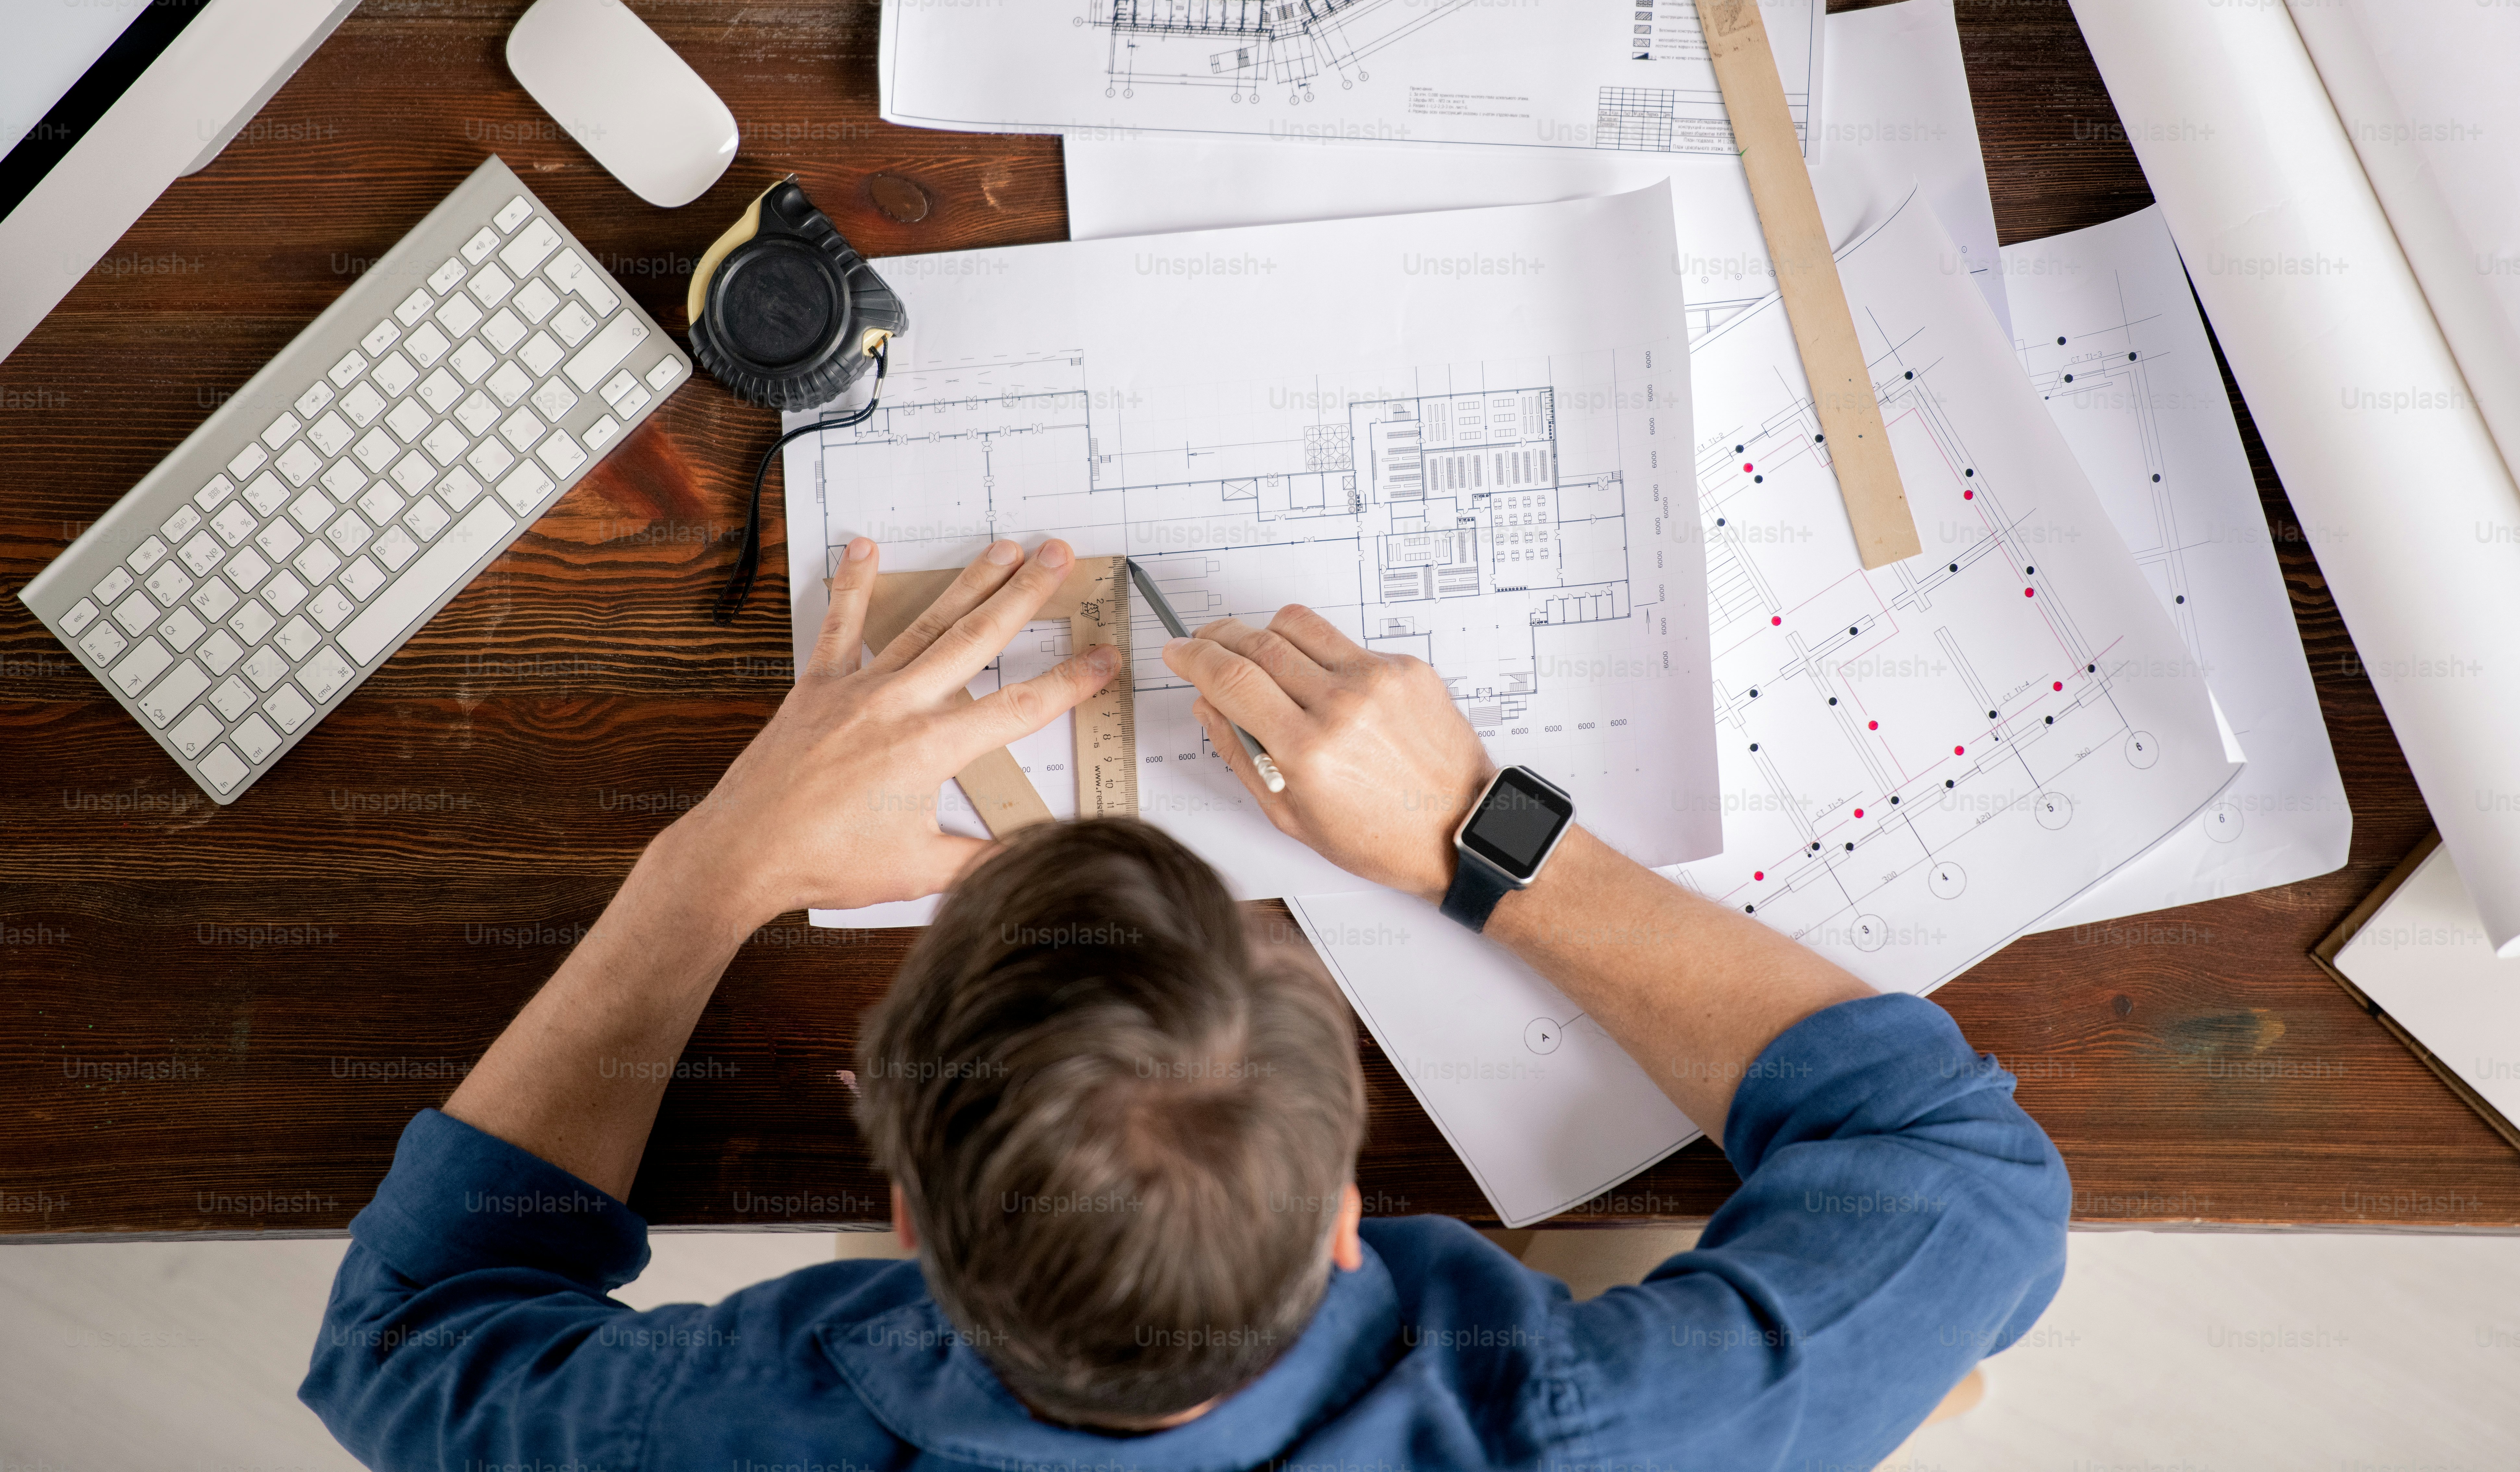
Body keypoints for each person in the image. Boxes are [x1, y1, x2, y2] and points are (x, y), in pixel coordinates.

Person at [302, 534, 2069, 1470]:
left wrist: (705, 876)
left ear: (904, 1210)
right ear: (1349, 1216)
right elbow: (1968, 1182)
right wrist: (1481, 838)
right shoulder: (1579, 1431)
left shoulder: (719, 1426)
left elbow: (402, 1340)